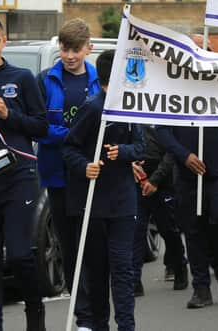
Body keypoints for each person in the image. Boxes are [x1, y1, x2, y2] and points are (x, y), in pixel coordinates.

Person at [63, 49, 144, 330]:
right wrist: (85, 166)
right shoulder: (93, 107)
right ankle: (99, 324)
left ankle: (126, 326)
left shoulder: (131, 106)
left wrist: (122, 152)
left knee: (123, 269)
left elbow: (142, 146)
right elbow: (69, 147)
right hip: (94, 204)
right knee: (97, 272)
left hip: (123, 203)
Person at [35, 18, 99, 330]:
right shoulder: (45, 80)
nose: (69, 55)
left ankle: (96, 309)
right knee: (70, 245)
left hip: (90, 174)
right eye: (64, 48)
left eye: (75, 49)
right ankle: (82, 313)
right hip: (58, 173)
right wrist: (73, 136)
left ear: (89, 48)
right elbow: (39, 126)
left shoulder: (100, 81)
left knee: (93, 245)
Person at [0, 16, 48, 331]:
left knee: (19, 255)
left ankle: (35, 312)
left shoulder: (22, 78)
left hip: (18, 176)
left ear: (4, 42)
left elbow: (41, 126)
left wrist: (7, 113)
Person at [156, 124, 218, 309]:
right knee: (193, 229)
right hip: (187, 175)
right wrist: (183, 155)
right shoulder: (173, 95)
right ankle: (201, 287)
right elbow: (162, 129)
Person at [131, 126, 188, 296]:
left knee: (168, 229)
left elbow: (172, 151)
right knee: (136, 230)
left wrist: (155, 180)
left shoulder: (162, 115)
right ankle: (134, 280)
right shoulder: (130, 114)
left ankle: (179, 267)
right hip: (136, 179)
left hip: (163, 182)